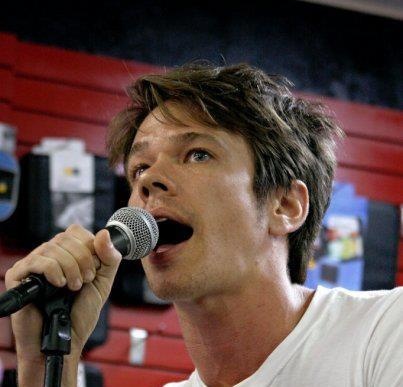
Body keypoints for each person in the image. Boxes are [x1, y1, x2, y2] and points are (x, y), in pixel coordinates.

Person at [5, 63, 402, 387]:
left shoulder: (385, 332)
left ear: (286, 205)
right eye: (139, 167)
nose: (147, 179)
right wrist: (48, 363)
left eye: (197, 154)